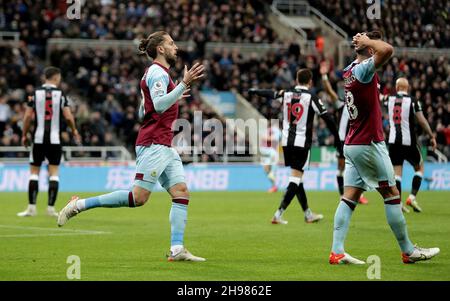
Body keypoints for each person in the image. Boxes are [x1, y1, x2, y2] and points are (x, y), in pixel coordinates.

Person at [57, 31, 206, 262]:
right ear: (160, 49)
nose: (176, 47)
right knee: (138, 198)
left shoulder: (157, 74)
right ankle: (79, 205)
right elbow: (156, 106)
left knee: (180, 192)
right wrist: (182, 85)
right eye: (171, 43)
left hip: (165, 145)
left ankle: (177, 249)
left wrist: (175, 93)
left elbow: (141, 110)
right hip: (154, 143)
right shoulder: (157, 73)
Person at [329, 31, 439, 264]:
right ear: (370, 51)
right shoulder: (362, 70)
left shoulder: (349, 70)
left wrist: (366, 41)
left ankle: (337, 251)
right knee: (391, 194)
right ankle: (408, 251)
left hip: (352, 143)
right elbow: (388, 50)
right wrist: (369, 42)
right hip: (368, 143)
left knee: (349, 197)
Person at [249, 68, 343, 225]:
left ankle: (308, 214)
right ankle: (278, 214)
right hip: (301, 143)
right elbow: (327, 118)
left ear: (297, 80)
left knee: (297, 179)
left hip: (286, 143)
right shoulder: (311, 97)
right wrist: (338, 138)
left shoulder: (287, 93)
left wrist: (255, 91)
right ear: (310, 81)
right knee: (295, 179)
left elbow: (270, 93)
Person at [17, 67, 81, 217]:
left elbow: (27, 117)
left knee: (34, 173)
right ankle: (51, 209)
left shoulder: (34, 93)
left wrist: (24, 135)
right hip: (55, 139)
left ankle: (31, 208)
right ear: (56, 77)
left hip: (38, 139)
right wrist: (74, 131)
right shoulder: (61, 94)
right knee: (54, 173)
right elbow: (68, 117)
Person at [319, 62, 368, 204]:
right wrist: (324, 76)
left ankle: (358, 195)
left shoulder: (359, 108)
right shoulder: (341, 105)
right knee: (341, 168)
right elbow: (329, 91)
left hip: (355, 141)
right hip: (342, 140)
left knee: (359, 169)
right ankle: (342, 195)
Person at [386, 77, 437, 213]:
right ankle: (412, 197)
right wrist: (431, 136)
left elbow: (378, 97)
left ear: (396, 88)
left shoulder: (389, 99)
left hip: (393, 142)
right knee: (419, 168)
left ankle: (398, 202)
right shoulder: (413, 101)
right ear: (407, 88)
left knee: (397, 173)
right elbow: (422, 120)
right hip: (409, 142)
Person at [260, 122, 281, 193]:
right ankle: (274, 186)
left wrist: (266, 138)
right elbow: (263, 138)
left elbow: (274, 139)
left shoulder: (277, 131)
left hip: (273, 152)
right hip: (267, 153)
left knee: (271, 170)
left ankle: (273, 174)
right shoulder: (268, 130)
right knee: (266, 169)